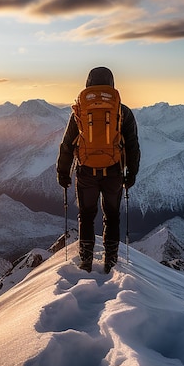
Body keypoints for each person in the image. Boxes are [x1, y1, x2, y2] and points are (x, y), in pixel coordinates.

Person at [56, 66, 140, 273]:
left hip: (86, 173)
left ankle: (85, 260)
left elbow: (67, 144)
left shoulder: (80, 111)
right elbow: (132, 145)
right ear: (111, 84)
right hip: (113, 172)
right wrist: (131, 172)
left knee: (86, 216)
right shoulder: (123, 111)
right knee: (111, 216)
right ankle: (110, 261)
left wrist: (63, 172)